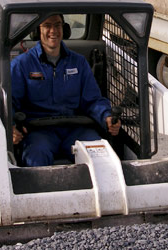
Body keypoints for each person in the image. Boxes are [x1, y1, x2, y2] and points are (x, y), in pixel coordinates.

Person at [11, 14, 121, 167]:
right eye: (47, 26)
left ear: (65, 29)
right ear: (37, 31)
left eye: (57, 25)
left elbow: (93, 99)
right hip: (39, 132)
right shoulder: (21, 64)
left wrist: (107, 117)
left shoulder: (79, 62)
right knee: (35, 158)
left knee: (101, 157)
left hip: (75, 129)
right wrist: (10, 127)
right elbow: (10, 102)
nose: (53, 31)